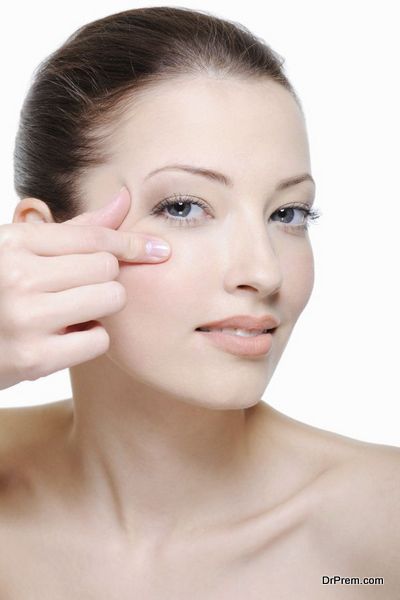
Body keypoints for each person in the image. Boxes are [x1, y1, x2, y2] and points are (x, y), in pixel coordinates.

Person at [0, 6, 398, 598]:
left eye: (288, 214)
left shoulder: (378, 527)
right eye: (185, 206)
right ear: (44, 236)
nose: (262, 272)